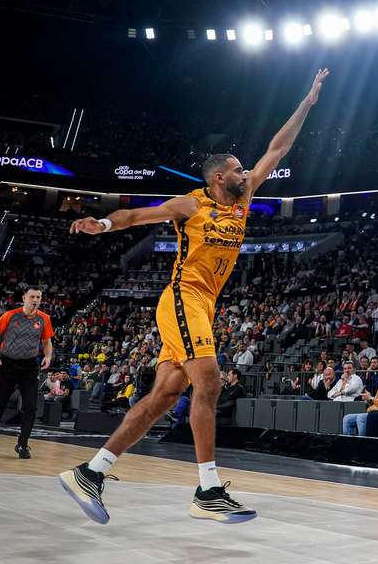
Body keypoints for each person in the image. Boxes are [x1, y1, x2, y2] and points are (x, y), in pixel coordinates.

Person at [59, 69, 329, 525]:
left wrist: (307, 102)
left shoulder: (243, 199)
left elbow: (278, 148)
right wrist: (101, 224)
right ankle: (208, 490)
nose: (247, 173)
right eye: (239, 169)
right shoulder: (192, 204)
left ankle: (91, 472)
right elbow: (137, 215)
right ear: (220, 176)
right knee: (210, 382)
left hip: (204, 305)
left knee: (164, 397)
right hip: (184, 298)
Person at [0, 287, 54, 461]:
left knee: (30, 407)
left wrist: (48, 356)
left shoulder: (44, 318)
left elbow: (46, 341)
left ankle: (22, 444)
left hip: (29, 366)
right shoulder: (10, 315)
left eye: (38, 297)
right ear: (24, 298)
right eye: (32, 296)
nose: (35, 300)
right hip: (7, 364)